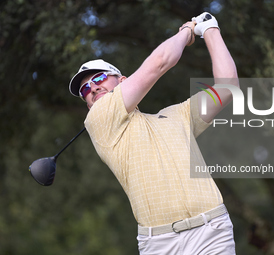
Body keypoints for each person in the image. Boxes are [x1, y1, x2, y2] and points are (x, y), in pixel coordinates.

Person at [69, 12, 238, 255]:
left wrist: (211, 29)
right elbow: (160, 62)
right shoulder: (99, 119)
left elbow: (227, 86)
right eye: (85, 89)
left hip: (210, 231)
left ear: (123, 80)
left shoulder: (177, 115)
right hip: (160, 244)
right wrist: (188, 31)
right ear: (87, 104)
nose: (93, 87)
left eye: (100, 77)